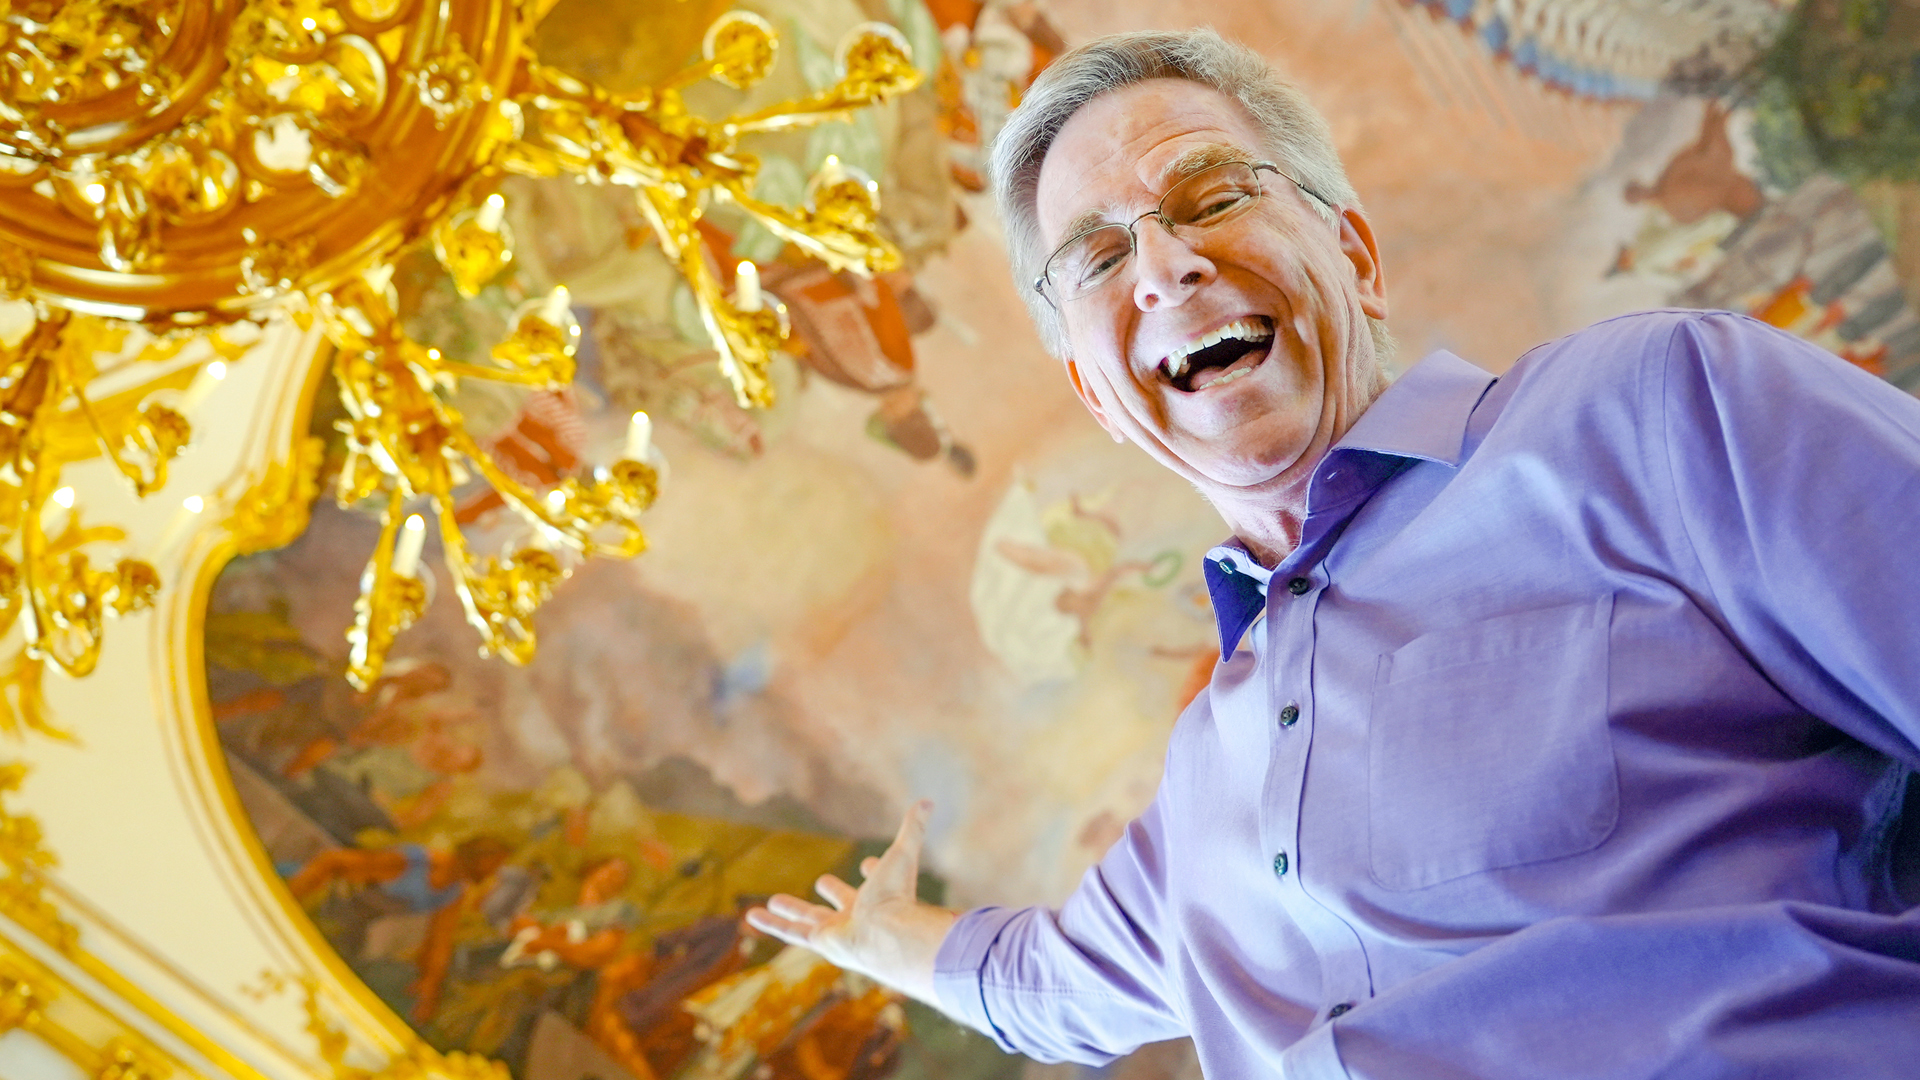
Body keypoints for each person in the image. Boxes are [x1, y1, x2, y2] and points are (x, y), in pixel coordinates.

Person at [746, 27, 1920, 1078]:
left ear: (1353, 255)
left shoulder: (1654, 408)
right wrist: (883, 939)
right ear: (1095, 396)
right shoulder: (1207, 774)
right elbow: (1058, 987)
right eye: (1099, 259)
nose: (1163, 268)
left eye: (1209, 198)